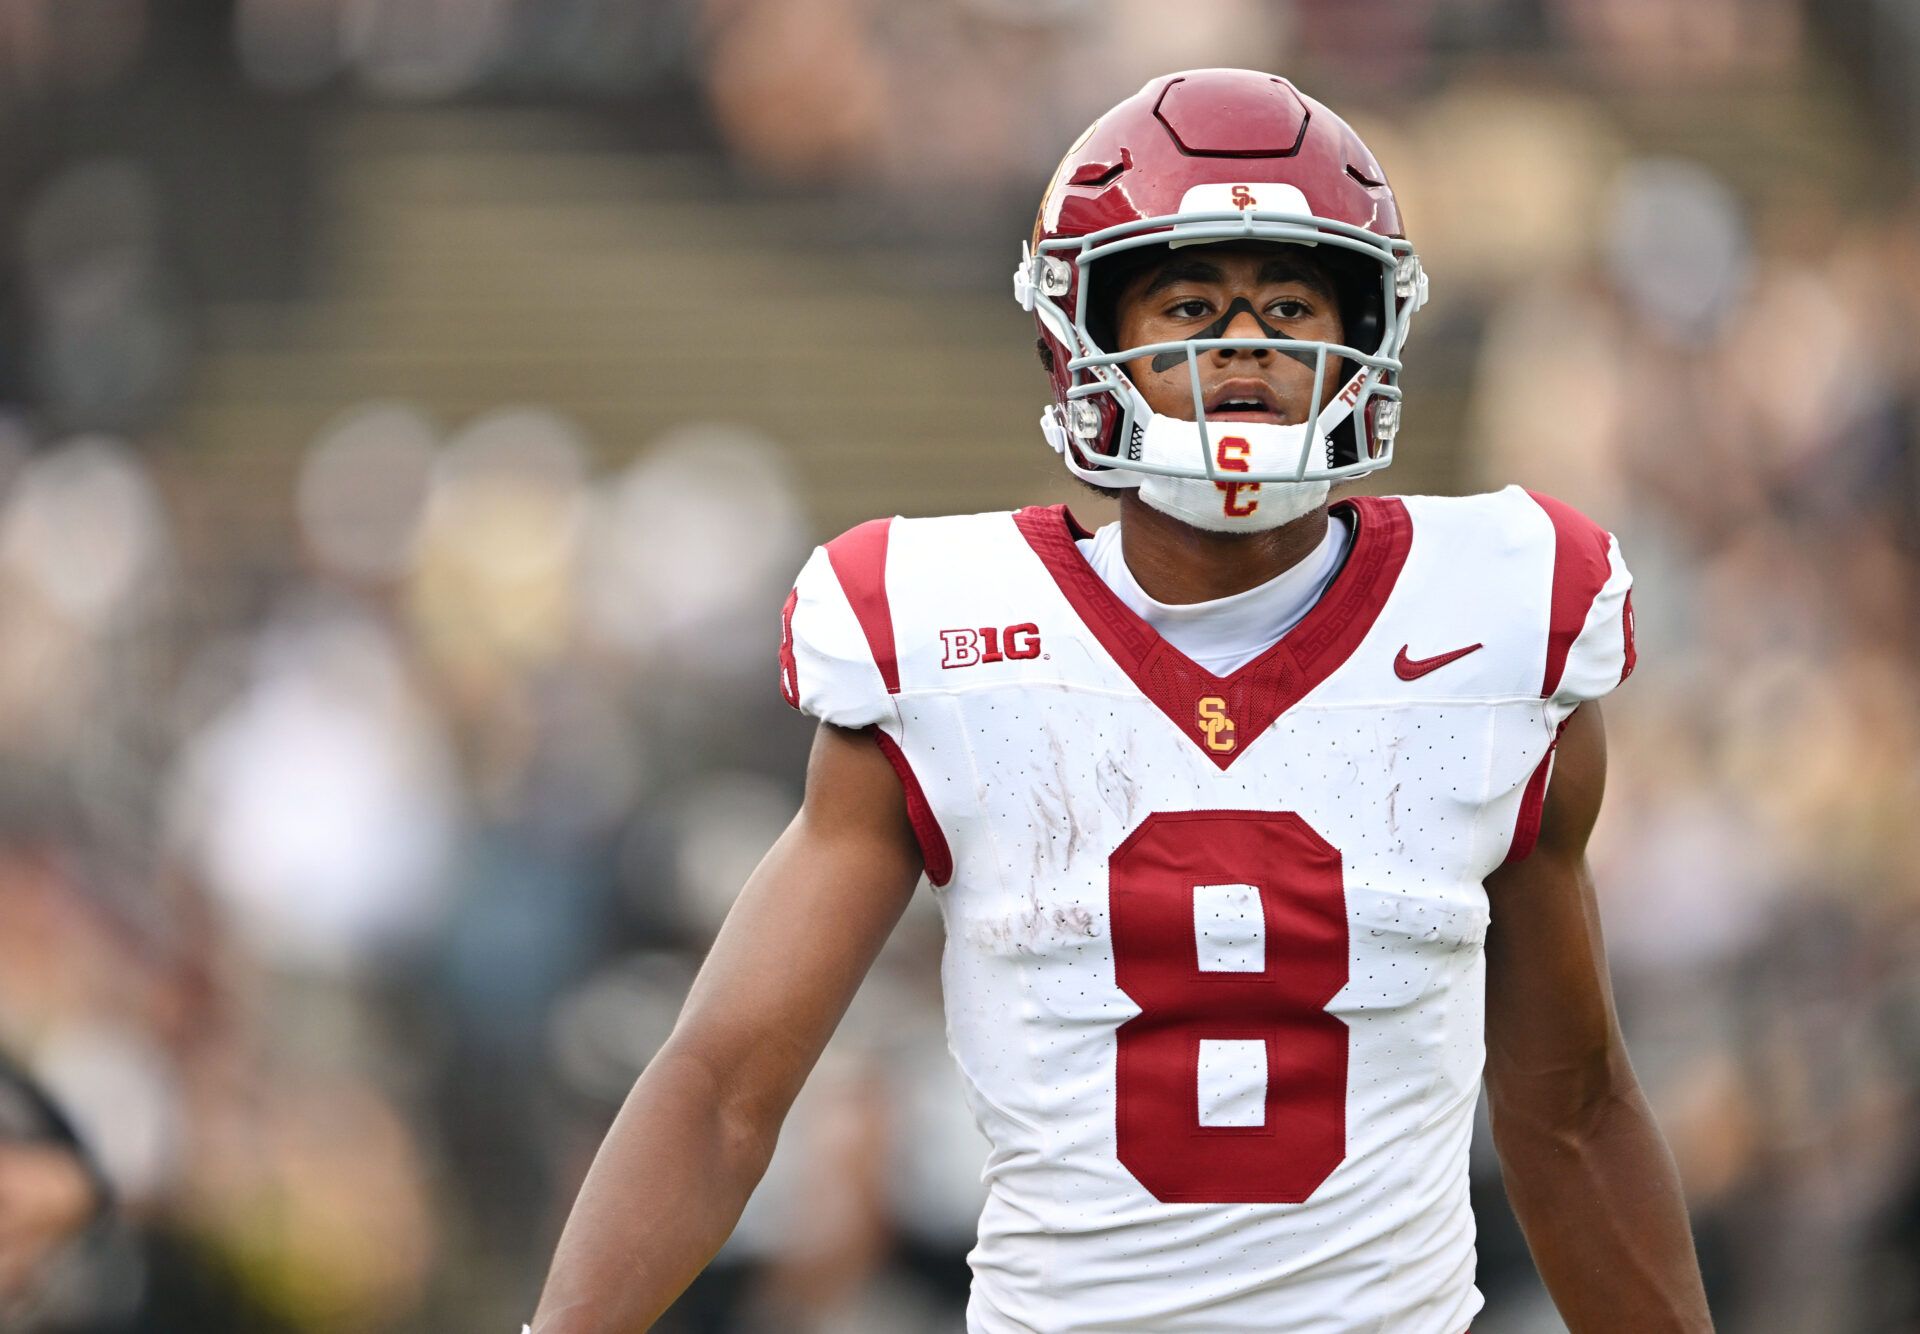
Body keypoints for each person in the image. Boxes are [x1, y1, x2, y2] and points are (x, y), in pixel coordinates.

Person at [530, 69, 1713, 1333]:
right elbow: (721, 1088)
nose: (1246, 344)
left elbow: (1574, 1113)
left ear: (1365, 333)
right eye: (1192, 303)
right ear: (1085, 332)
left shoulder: (1498, 623)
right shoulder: (944, 637)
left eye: (1291, 302)